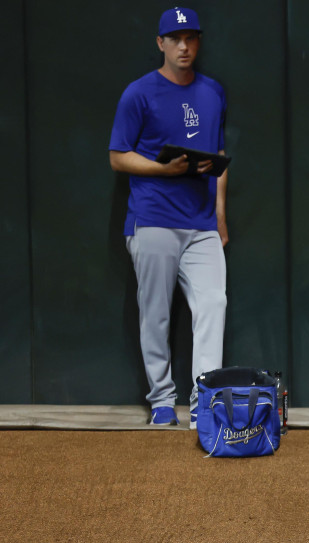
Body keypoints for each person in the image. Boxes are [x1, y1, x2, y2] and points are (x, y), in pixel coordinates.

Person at [109, 7, 228, 426]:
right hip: (153, 218)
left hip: (200, 223)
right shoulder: (138, 93)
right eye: (175, 38)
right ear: (160, 43)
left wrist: (220, 215)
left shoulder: (213, 91)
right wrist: (164, 169)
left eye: (190, 37)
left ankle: (203, 399)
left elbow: (219, 160)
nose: (184, 45)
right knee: (155, 313)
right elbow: (117, 157)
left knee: (214, 303)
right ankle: (162, 400)